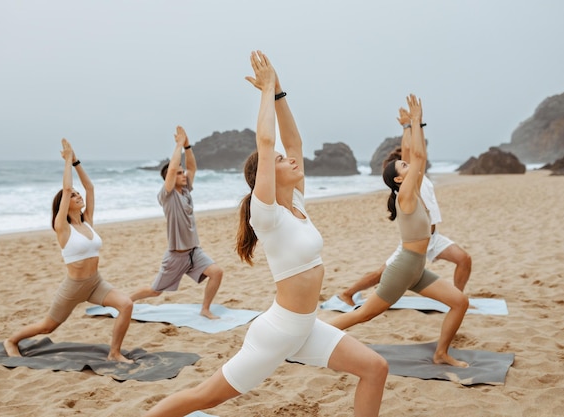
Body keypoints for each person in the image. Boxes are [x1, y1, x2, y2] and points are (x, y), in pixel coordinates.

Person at [140, 51, 388, 417]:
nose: (291, 160)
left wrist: (280, 92)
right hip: (278, 333)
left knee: (375, 368)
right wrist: (265, 91)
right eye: (279, 161)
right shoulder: (266, 213)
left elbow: (294, 143)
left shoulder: (297, 203)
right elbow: (267, 143)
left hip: (306, 327)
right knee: (204, 397)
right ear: (263, 179)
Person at [328, 95, 470, 368]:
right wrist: (416, 122)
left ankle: (441, 353)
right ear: (397, 179)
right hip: (404, 267)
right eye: (403, 167)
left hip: (417, 268)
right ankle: (309, 338)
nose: (408, 165)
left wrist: (411, 127)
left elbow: (417, 156)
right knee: (363, 315)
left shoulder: (412, 189)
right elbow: (416, 155)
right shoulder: (404, 195)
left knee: (459, 302)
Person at [3, 138, 134, 363]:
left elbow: (90, 187)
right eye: (73, 195)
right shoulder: (62, 227)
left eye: (77, 193)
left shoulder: (88, 221)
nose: (78, 195)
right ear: (64, 203)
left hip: (96, 283)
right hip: (73, 287)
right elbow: (65, 189)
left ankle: (114, 353)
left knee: (126, 305)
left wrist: (76, 161)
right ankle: (11, 341)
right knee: (48, 327)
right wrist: (66, 162)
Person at [338, 114, 472, 306]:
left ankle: (456, 297)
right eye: (404, 163)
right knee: (380, 274)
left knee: (464, 259)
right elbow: (411, 151)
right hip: (414, 244)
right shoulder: (410, 185)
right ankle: (348, 293)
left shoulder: (420, 177)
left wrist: (414, 124)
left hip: (434, 237)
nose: (408, 164)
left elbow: (417, 152)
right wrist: (409, 126)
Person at [130, 125, 223, 320]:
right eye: (179, 174)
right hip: (176, 256)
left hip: (194, 252)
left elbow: (192, 167)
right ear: (170, 179)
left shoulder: (186, 191)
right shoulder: (167, 195)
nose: (184, 175)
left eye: (183, 173)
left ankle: (205, 309)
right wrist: (179, 145)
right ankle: (126, 300)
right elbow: (172, 169)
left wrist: (188, 147)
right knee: (155, 291)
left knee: (216, 272)